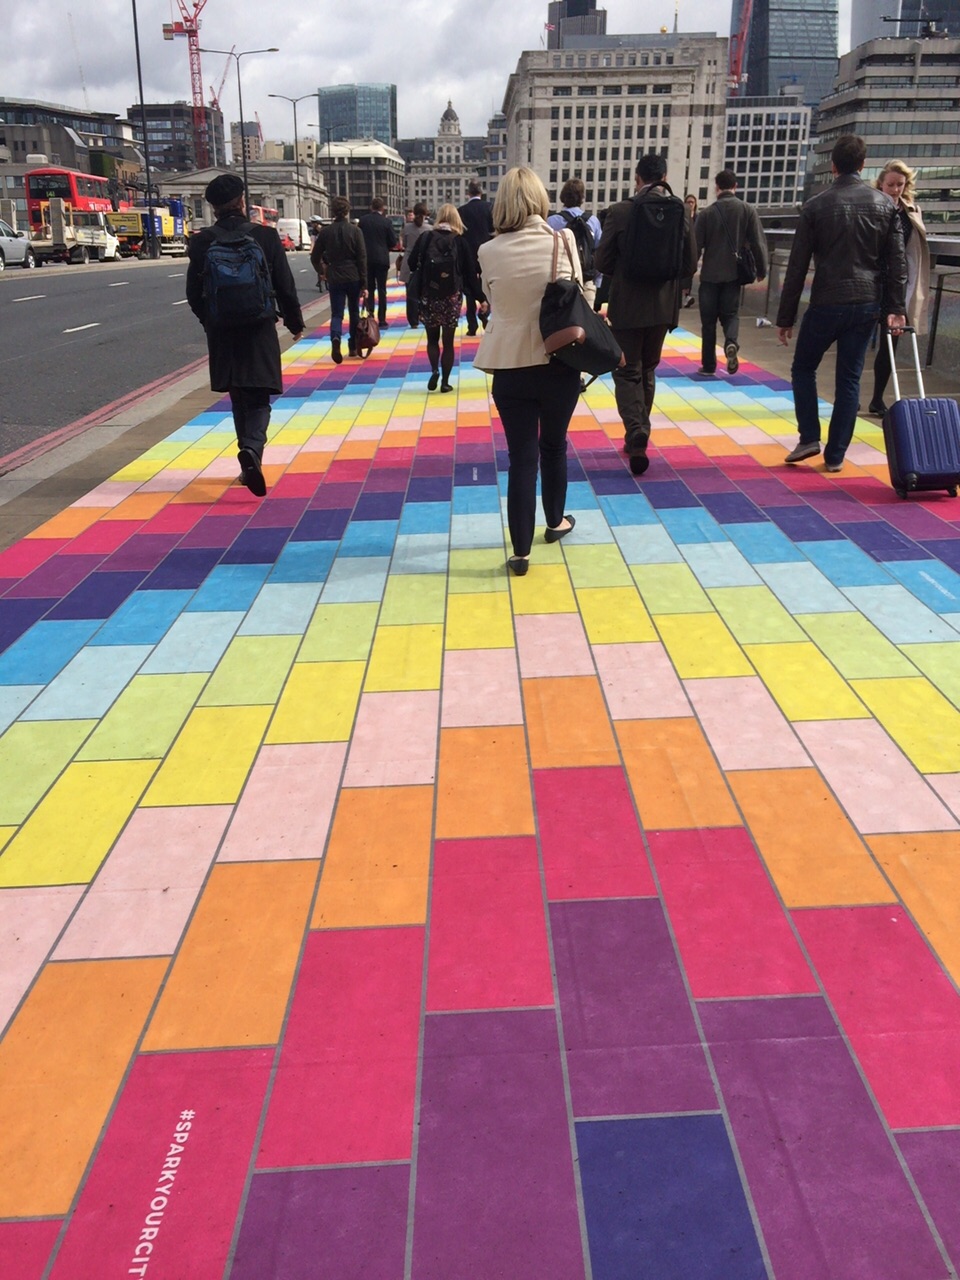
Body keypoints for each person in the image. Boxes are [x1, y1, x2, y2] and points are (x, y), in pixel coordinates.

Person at [777, 134, 907, 473]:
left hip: (827, 301)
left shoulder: (816, 206)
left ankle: (809, 437)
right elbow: (897, 263)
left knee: (804, 368)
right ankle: (835, 456)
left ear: (833, 165)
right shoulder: (885, 205)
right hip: (867, 303)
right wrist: (895, 308)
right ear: (863, 166)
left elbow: (797, 266)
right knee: (849, 379)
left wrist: (786, 317)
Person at [474, 167, 582, 575]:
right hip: (559, 361)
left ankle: (520, 552)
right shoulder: (563, 239)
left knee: (521, 458)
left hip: (510, 365)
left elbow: (493, 302)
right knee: (554, 445)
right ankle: (555, 522)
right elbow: (582, 294)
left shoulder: (488, 250)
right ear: (539, 199)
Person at [186, 173, 303, 498]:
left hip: (222, 330)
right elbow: (285, 285)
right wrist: (294, 322)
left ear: (213, 207)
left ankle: (246, 461)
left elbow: (193, 293)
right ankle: (252, 449)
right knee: (260, 395)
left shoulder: (201, 241)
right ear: (241, 202)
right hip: (259, 327)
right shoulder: (265, 236)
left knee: (238, 394)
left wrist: (210, 321)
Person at [594, 153, 698, 475]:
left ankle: (635, 430)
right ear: (664, 176)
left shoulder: (620, 212)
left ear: (637, 178)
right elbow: (689, 263)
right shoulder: (680, 211)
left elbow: (602, 262)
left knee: (626, 370)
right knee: (648, 368)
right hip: (663, 307)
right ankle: (640, 433)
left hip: (627, 305)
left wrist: (625, 274)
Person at [868, 159, 930, 416]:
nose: (895, 189)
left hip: (896, 286)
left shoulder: (910, 212)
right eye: (890, 184)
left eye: (900, 185)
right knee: (858, 340)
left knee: (890, 344)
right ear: (880, 183)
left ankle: (877, 398)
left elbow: (914, 252)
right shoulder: (871, 208)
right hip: (870, 282)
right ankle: (851, 395)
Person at [406, 203, 486, 392]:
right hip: (451, 296)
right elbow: (470, 274)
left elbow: (411, 263)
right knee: (448, 342)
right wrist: (481, 298)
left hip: (429, 295)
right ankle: (446, 382)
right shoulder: (460, 241)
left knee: (432, 339)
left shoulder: (426, 238)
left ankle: (434, 370)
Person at [695, 171, 767, 376]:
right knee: (731, 315)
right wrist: (762, 269)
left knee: (708, 324)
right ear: (735, 186)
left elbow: (695, 247)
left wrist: (685, 277)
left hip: (709, 276)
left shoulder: (707, 214)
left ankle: (708, 366)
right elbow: (758, 242)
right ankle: (731, 342)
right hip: (733, 276)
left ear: (716, 187)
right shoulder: (747, 210)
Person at [311, 196, 367, 364]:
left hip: (335, 275)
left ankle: (336, 338)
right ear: (347, 211)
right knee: (354, 311)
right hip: (353, 275)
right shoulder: (356, 231)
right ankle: (353, 345)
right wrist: (364, 282)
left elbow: (315, 256)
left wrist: (322, 272)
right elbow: (362, 258)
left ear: (333, 212)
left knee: (337, 313)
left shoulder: (326, 232)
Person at [547, 177, 602, 307]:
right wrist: (597, 282)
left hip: (560, 284)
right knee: (586, 325)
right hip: (587, 282)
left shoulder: (552, 221)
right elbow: (600, 252)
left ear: (562, 196)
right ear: (582, 198)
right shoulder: (593, 221)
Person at [457, 181, 494, 335]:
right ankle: (485, 311)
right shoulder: (489, 208)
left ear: (468, 193)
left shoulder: (462, 211)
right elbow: (493, 230)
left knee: (470, 288)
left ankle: (472, 326)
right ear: (481, 192)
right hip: (487, 252)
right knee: (488, 284)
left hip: (468, 253)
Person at [358, 197, 399, 327]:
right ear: (383, 208)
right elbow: (393, 242)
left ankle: (370, 314)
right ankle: (382, 319)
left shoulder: (363, 221)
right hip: (382, 259)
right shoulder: (386, 222)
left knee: (369, 288)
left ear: (371, 207)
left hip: (367, 259)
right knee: (382, 289)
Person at [398, 202, 431, 285]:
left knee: (409, 291)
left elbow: (404, 244)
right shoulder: (430, 229)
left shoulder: (407, 228)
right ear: (425, 214)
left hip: (409, 262)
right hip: (424, 262)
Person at [681, 193, 698, 308]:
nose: (690, 204)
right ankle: (684, 296)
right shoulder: (682, 216)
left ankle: (686, 296)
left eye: (692, 202)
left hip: (693, 250)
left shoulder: (698, 218)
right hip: (683, 251)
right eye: (688, 202)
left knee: (689, 275)